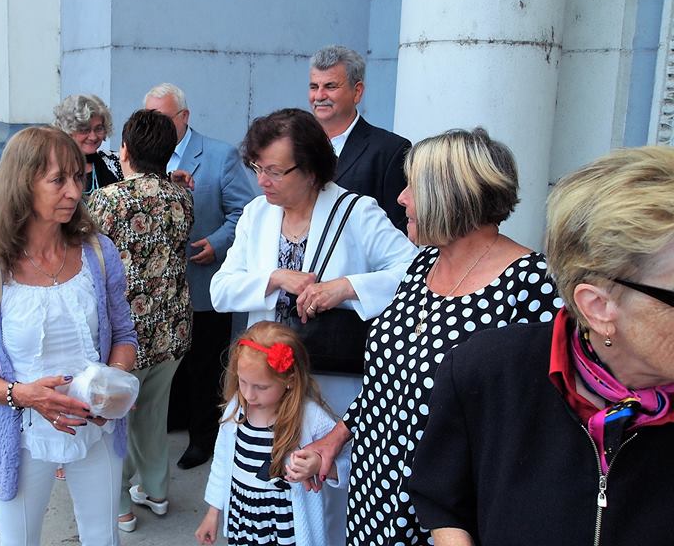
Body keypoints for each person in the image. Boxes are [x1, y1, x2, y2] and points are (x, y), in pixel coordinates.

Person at [304, 128, 564, 545]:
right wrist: (334, 439)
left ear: (453, 195)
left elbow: (542, 425)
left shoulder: (531, 285)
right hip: (374, 495)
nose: (401, 198)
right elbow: (387, 385)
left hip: (452, 514)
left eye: (413, 187)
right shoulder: (422, 265)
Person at [408, 146, 674, 546]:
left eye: (415, 185)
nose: (402, 197)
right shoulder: (486, 365)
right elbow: (442, 494)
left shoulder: (527, 278)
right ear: (597, 307)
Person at [0, 126, 138, 545]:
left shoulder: (98, 253)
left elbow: (125, 335)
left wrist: (111, 384)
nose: (74, 191)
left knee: (103, 537)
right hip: (23, 435)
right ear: (23, 186)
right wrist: (25, 395)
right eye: (58, 180)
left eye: (78, 177)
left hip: (96, 427)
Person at [210, 108, 417, 416]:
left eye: (275, 171)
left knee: (324, 444)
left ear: (311, 171)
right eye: (257, 168)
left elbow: (414, 272)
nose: (262, 181)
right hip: (264, 379)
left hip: (330, 375)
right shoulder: (256, 213)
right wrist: (275, 279)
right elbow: (220, 290)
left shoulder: (356, 212)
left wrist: (346, 288)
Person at [86, 109, 195, 533]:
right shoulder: (181, 197)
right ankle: (156, 490)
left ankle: (119, 506)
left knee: (113, 419)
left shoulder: (106, 199)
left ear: (125, 150)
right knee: (153, 413)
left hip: (124, 334)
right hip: (172, 326)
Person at [145, 83, 257, 471]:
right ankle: (176, 419)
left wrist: (218, 242)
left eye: (162, 118)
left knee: (205, 365)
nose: (156, 127)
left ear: (184, 117)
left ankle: (202, 438)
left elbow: (245, 212)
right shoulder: (146, 157)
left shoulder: (219, 155)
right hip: (161, 289)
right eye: (149, 119)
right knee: (169, 362)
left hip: (205, 282)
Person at [195, 322, 351, 546]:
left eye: (261, 387)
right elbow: (222, 462)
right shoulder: (236, 409)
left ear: (289, 380)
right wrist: (213, 512)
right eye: (243, 382)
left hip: (287, 526)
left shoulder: (309, 417)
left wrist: (319, 464)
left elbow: (350, 459)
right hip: (244, 520)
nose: (249, 394)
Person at [308, 44, 411, 231]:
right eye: (314, 87)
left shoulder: (391, 151)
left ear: (357, 92)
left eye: (330, 86)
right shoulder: (296, 146)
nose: (319, 96)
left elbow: (398, 230)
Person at [53, 93, 123, 197]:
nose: (93, 137)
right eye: (84, 130)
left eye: (98, 128)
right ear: (68, 131)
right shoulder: (53, 165)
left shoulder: (117, 162)